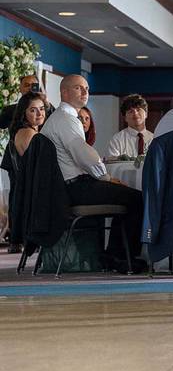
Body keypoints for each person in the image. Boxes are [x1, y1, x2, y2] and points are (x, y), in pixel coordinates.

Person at [41, 75, 144, 272]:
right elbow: (85, 157)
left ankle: (114, 254)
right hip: (75, 187)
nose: (85, 92)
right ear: (64, 92)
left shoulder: (61, 119)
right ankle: (121, 257)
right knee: (138, 198)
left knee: (127, 197)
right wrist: (107, 178)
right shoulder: (66, 119)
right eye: (79, 88)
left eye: (86, 88)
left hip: (68, 187)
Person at [2, 92, 48, 253]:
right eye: (33, 110)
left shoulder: (27, 131)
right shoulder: (28, 133)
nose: (39, 113)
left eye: (41, 109)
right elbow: (39, 168)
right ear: (24, 113)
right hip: (35, 193)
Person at [106, 94, 153, 159]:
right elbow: (113, 166)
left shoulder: (154, 139)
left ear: (146, 114)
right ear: (125, 118)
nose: (135, 113)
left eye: (138, 110)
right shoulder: (117, 140)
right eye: (131, 111)